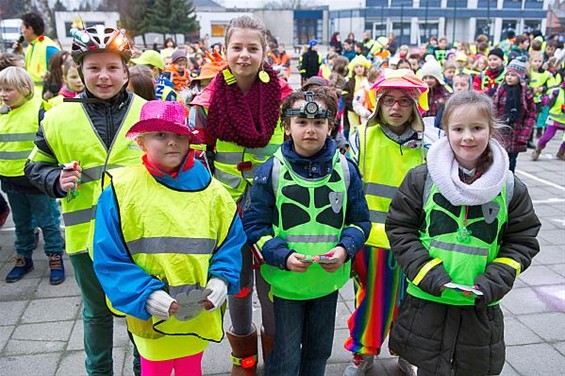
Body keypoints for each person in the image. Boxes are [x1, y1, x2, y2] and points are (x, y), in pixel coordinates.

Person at [386, 90, 541, 376]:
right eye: (458, 129)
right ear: (445, 132)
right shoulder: (422, 178)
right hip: (428, 301)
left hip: (480, 307)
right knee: (429, 369)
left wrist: (495, 280)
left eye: (477, 128)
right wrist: (429, 274)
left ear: (491, 130)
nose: (467, 137)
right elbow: (399, 229)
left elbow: (523, 240)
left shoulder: (510, 187)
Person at [24, 25, 146, 375]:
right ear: (79, 71)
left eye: (112, 67)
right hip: (85, 239)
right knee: (96, 314)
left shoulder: (148, 112)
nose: (103, 76)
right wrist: (56, 180)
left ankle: (145, 368)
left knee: (140, 310)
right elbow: (34, 167)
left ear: (126, 71)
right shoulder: (57, 118)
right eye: (93, 68)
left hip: (138, 238)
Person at [93, 100, 244, 376]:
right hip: (150, 312)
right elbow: (109, 256)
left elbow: (230, 241)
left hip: (198, 311)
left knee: (190, 368)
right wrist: (145, 294)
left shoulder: (213, 191)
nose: (172, 143)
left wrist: (222, 278)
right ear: (141, 142)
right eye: (160, 135)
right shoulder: (120, 190)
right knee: (155, 368)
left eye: (178, 135)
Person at [188, 15, 292, 374]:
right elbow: (195, 163)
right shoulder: (205, 102)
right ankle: (243, 357)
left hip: (275, 212)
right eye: (237, 47)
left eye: (253, 48)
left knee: (273, 286)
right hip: (226, 212)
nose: (244, 55)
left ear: (266, 52)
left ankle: (278, 356)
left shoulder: (285, 101)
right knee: (237, 286)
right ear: (224, 50)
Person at [243, 88, 370, 376]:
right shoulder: (270, 171)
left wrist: (345, 249)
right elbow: (255, 225)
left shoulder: (346, 170)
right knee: (286, 356)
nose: (310, 130)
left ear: (330, 126)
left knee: (319, 352)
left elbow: (360, 221)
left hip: (327, 282)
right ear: (286, 127)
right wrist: (283, 257)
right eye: (301, 122)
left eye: (318, 123)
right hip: (288, 284)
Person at [344, 69, 428, 376]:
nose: (396, 107)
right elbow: (350, 184)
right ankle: (362, 352)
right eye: (389, 100)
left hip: (414, 240)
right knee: (373, 299)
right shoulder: (363, 136)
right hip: (371, 237)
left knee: (411, 300)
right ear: (378, 103)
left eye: (404, 101)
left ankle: (406, 350)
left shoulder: (428, 143)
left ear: (414, 105)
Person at [0, 66, 65, 284]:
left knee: (49, 222)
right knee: (21, 223)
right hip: (11, 181)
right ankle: (23, 258)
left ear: (25, 88)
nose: (3, 94)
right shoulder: (2, 113)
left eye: (8, 89)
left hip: (37, 181)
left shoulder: (39, 111)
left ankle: (55, 256)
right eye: (0, 89)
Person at [492, 57, 536, 172]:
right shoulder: (501, 90)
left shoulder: (525, 93)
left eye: (513, 75)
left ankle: (510, 183)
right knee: (498, 159)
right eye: (507, 75)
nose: (509, 78)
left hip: (517, 132)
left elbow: (531, 114)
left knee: (511, 162)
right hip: (501, 130)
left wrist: (525, 134)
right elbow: (493, 109)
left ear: (520, 77)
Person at [17, 13, 60, 88]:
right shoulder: (31, 46)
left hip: (45, 96)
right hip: (32, 93)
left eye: (22, 28)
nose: (22, 32)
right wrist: (20, 53)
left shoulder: (49, 47)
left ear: (30, 29)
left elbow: (61, 70)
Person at [532, 79, 565, 161]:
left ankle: (561, 153)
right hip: (554, 119)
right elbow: (546, 102)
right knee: (546, 137)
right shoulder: (556, 91)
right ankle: (537, 150)